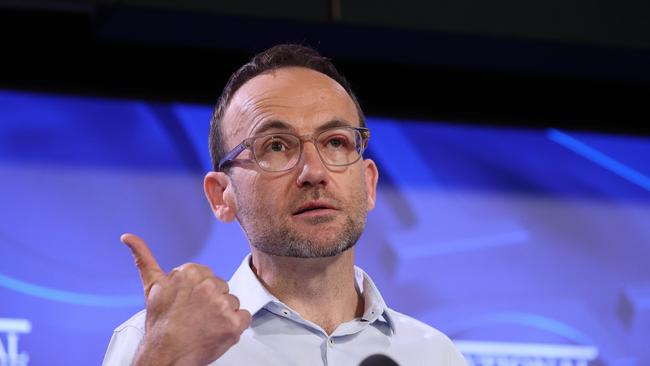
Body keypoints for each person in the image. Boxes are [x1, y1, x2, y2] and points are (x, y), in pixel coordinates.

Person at [103, 44, 467, 366]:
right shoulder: (155, 345)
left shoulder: (433, 354)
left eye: (336, 142)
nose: (314, 171)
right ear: (221, 196)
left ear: (369, 183)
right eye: (276, 146)